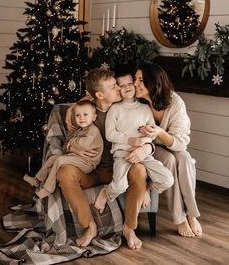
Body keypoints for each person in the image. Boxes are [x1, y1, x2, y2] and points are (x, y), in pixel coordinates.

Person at [56, 68, 154, 250]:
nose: (119, 88)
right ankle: (90, 226)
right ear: (100, 95)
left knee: (139, 170)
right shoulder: (86, 111)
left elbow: (146, 138)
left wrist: (145, 184)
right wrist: (72, 147)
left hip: (119, 167)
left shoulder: (129, 109)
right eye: (113, 86)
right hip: (90, 169)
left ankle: (129, 228)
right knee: (65, 172)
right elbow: (68, 141)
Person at [134, 62, 202, 238]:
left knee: (185, 159)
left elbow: (181, 142)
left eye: (140, 80)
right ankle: (179, 218)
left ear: (154, 82)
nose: (135, 84)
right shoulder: (135, 100)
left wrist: (160, 132)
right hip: (148, 147)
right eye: (135, 79)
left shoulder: (175, 102)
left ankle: (192, 214)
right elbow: (95, 95)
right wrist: (76, 105)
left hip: (172, 143)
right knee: (170, 161)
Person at [95, 71, 174, 213]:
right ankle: (106, 192)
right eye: (122, 85)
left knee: (168, 179)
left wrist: (145, 139)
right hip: (122, 155)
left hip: (143, 155)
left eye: (130, 83)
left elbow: (152, 134)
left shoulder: (144, 109)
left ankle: (145, 188)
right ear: (118, 88)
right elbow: (110, 134)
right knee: (120, 186)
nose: (127, 87)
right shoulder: (115, 109)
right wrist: (130, 140)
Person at [23, 100, 103, 199]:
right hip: (76, 158)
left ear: (94, 117)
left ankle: (48, 189)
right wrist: (72, 147)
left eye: (85, 114)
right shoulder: (79, 129)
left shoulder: (93, 132)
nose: (81, 118)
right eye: (78, 115)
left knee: (60, 160)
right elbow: (66, 147)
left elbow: (82, 145)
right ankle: (37, 179)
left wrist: (72, 146)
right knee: (53, 158)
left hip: (88, 163)